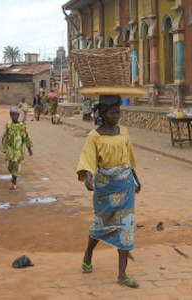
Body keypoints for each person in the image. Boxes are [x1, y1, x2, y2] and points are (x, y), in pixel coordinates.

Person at [77, 95, 141, 288]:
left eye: (118, 112)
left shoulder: (124, 132)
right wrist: (88, 176)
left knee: (126, 227)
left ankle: (122, 274)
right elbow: (88, 159)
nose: (117, 116)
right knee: (100, 226)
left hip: (125, 185)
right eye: (113, 113)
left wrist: (136, 179)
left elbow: (129, 157)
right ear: (103, 114)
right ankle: (88, 253)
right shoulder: (94, 136)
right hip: (105, 188)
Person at [0, 107, 33, 190]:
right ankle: (13, 175)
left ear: (18, 116)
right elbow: (5, 136)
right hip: (10, 148)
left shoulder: (22, 126)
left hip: (18, 150)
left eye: (16, 115)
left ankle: (14, 181)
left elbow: (26, 137)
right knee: (9, 164)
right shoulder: (9, 125)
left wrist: (29, 148)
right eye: (12, 115)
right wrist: (3, 147)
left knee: (16, 165)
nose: (14, 117)